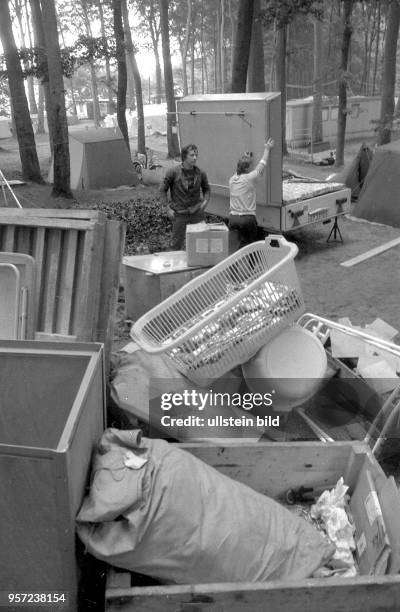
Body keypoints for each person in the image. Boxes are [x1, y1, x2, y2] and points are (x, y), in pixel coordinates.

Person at [160, 144, 211, 250]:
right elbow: (162, 190)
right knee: (176, 244)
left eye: (196, 155)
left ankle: (200, 264)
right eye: (192, 155)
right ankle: (175, 265)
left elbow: (207, 189)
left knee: (201, 243)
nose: (195, 158)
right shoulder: (173, 172)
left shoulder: (200, 173)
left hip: (196, 212)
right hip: (179, 214)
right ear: (184, 156)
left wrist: (205, 203)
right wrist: (167, 208)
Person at [228, 138, 274, 249]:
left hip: (233, 219)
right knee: (250, 247)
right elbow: (262, 164)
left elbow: (240, 168)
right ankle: (250, 266)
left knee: (235, 248)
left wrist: (245, 158)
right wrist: (267, 149)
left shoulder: (232, 179)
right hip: (247, 220)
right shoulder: (249, 178)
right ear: (248, 168)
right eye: (250, 165)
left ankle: (235, 265)